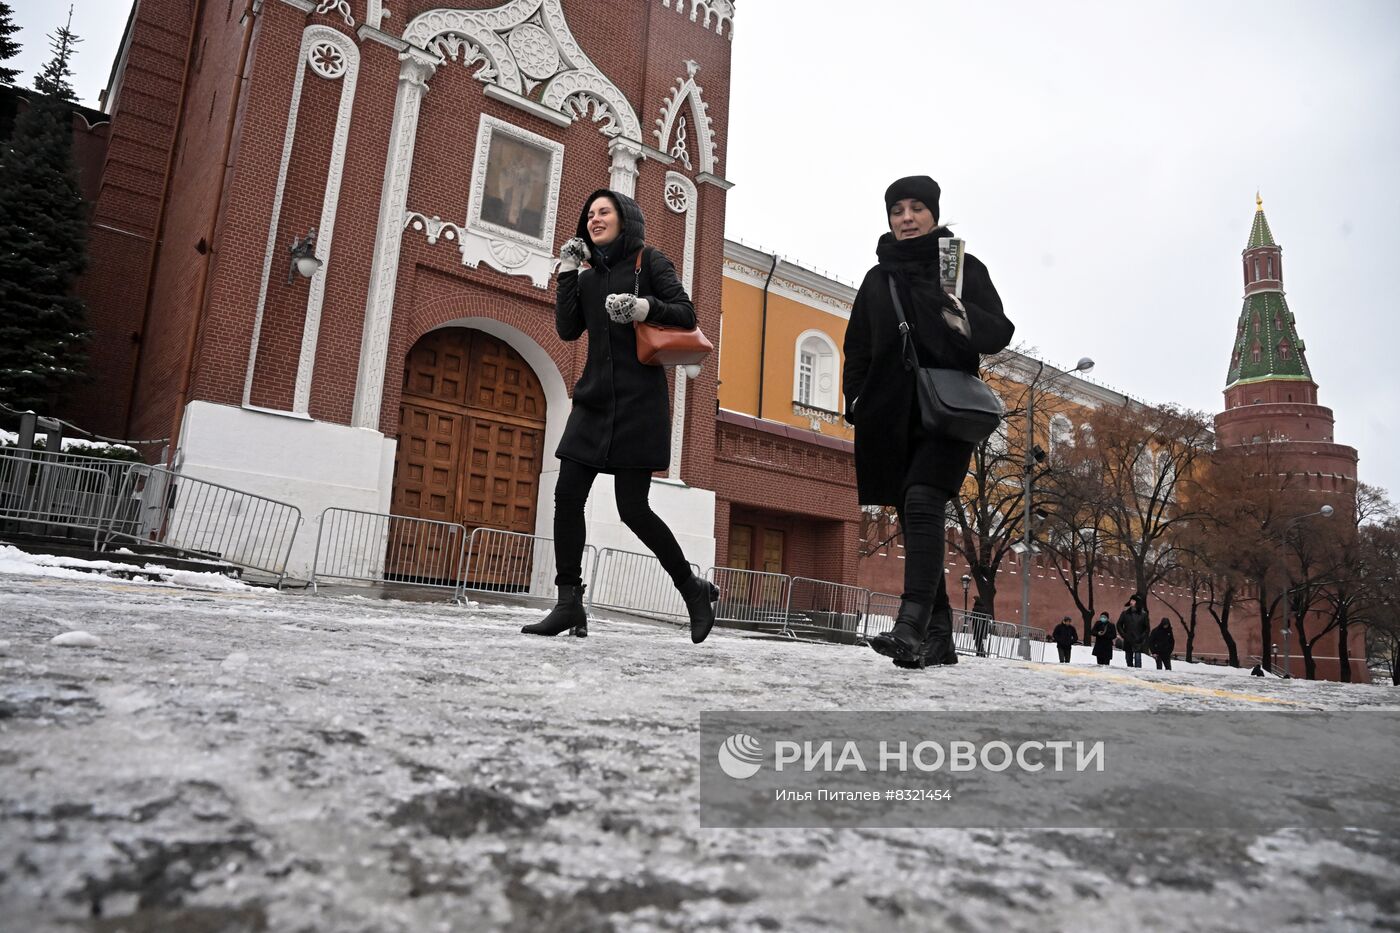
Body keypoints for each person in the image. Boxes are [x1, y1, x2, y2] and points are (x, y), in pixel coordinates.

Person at [522, 189, 719, 642]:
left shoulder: (649, 262)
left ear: (624, 218)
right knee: (567, 495)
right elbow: (568, 329)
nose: (594, 219)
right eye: (588, 214)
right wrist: (569, 271)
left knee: (634, 509)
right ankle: (569, 601)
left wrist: (644, 307)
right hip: (593, 402)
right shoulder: (588, 277)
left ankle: (692, 590)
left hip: (638, 404)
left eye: (603, 211)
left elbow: (687, 313)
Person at [843, 176, 1015, 668]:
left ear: (934, 214)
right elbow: (857, 344)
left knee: (922, 500)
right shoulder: (879, 279)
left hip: (946, 409)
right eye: (897, 210)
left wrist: (957, 310)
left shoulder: (959, 268)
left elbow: (998, 331)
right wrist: (855, 398)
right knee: (913, 516)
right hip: (890, 415)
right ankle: (938, 637)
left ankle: (910, 623)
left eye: (917, 208)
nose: (907, 218)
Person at [1117, 593, 1150, 668]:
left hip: (1138, 640)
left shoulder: (1143, 614)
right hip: (1128, 639)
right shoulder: (1125, 613)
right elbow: (1119, 625)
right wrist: (1123, 634)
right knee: (1128, 659)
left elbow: (1147, 628)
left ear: (1137, 602)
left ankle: (1137, 673)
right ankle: (1130, 672)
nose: (1131, 602)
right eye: (1131, 600)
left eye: (1133, 600)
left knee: (1138, 659)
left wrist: (1142, 637)